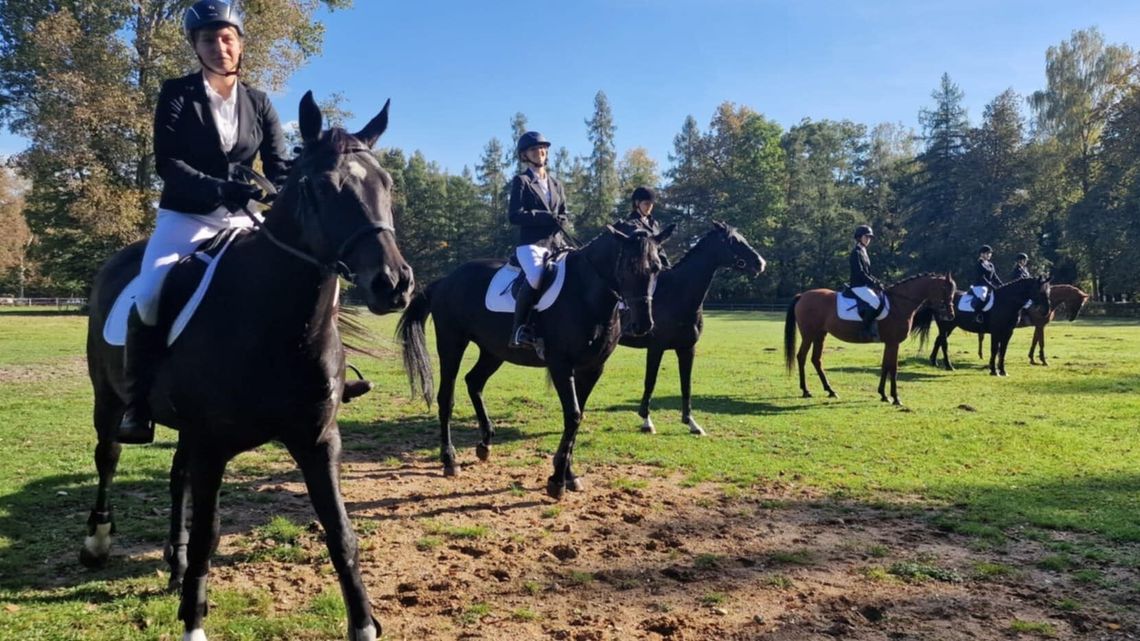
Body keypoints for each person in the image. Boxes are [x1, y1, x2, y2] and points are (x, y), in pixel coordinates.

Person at [117, 0, 373, 445]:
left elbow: (278, 167)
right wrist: (217, 189)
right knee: (152, 292)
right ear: (195, 46)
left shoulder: (258, 102)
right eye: (208, 39)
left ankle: (331, 377)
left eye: (227, 37)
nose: (219, 46)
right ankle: (138, 403)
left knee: (314, 279)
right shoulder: (177, 93)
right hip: (187, 216)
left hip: (244, 219)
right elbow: (169, 162)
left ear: (239, 43)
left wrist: (275, 193)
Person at [507, 131, 570, 350]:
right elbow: (514, 215)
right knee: (535, 276)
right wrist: (543, 217)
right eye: (534, 149)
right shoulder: (522, 181)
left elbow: (563, 212)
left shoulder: (556, 184)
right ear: (525, 155)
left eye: (542, 148)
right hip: (532, 245)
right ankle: (520, 329)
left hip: (557, 244)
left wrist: (561, 219)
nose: (540, 152)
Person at [848, 224, 886, 340]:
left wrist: (877, 282)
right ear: (859, 237)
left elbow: (868, 273)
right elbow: (860, 273)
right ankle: (864, 330)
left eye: (870, 237)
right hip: (858, 286)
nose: (868, 239)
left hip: (865, 285)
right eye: (866, 236)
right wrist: (872, 283)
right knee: (875, 302)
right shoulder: (856, 252)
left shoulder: (864, 251)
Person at [626, 186, 670, 268]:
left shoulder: (654, 223)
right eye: (646, 203)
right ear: (637, 203)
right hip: (641, 267)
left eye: (651, 204)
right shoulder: (630, 223)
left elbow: (659, 247)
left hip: (657, 264)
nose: (649, 207)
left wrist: (667, 265)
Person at [970, 245, 1003, 324]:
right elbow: (982, 278)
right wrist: (992, 286)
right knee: (983, 297)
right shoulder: (979, 264)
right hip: (980, 286)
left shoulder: (990, 264)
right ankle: (977, 315)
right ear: (981, 254)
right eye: (987, 253)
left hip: (989, 286)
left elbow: (995, 277)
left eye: (990, 253)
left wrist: (1002, 285)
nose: (989, 255)